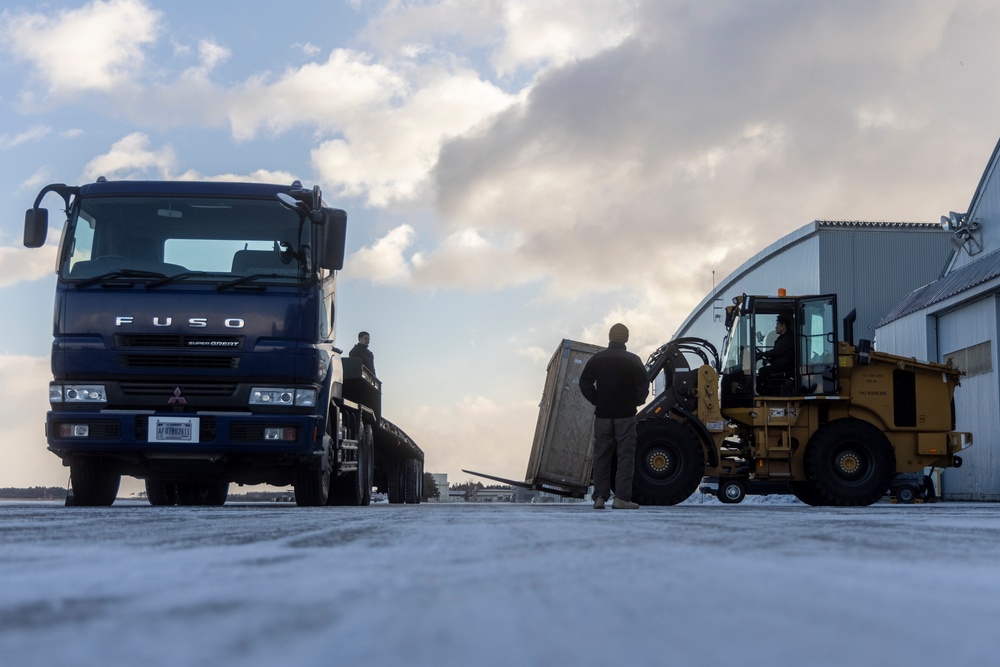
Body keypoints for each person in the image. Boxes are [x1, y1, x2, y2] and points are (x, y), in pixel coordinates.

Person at [579, 323, 650, 510]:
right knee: (625, 457)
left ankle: (600, 498)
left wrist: (597, 399)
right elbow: (644, 384)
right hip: (625, 416)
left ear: (610, 337)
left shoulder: (597, 359)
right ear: (626, 338)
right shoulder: (633, 360)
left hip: (603, 415)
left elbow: (584, 382)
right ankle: (621, 499)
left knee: (601, 456)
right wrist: (635, 402)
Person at [758, 316, 793, 388]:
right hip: (782, 365)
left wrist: (762, 354)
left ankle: (761, 391)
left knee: (762, 371)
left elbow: (776, 352)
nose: (775, 327)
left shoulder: (787, 339)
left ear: (783, 326)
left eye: (777, 325)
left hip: (784, 366)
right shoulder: (784, 338)